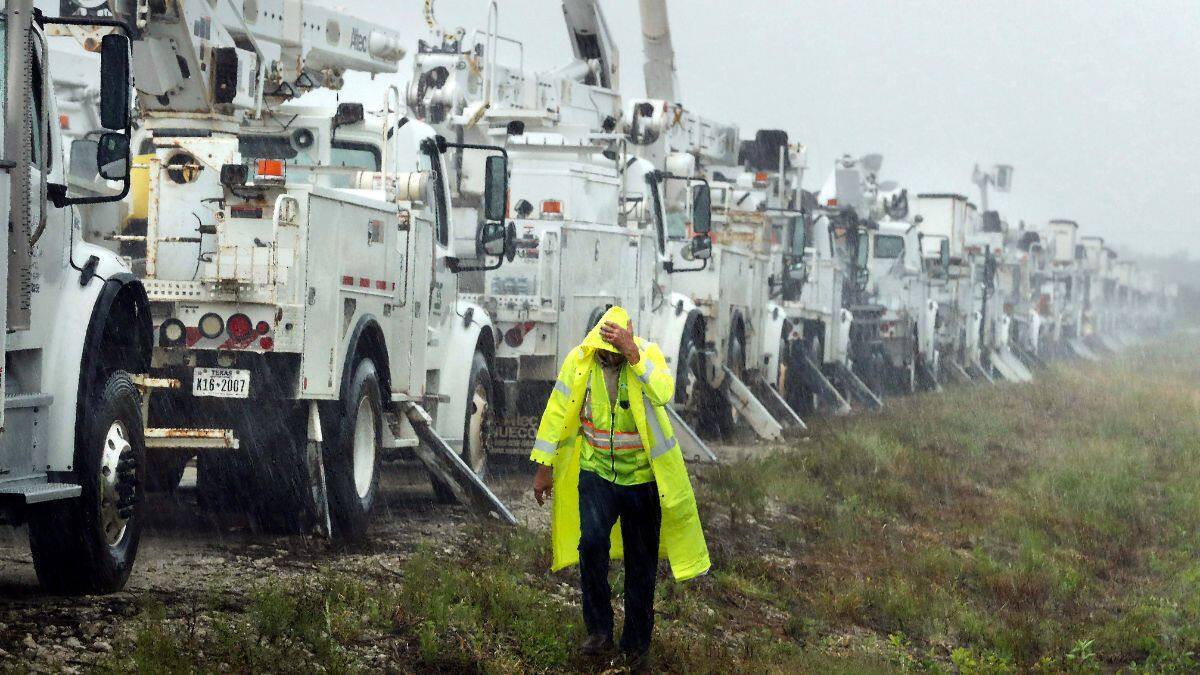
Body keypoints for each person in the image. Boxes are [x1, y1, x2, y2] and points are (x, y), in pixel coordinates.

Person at [530, 305, 710, 663]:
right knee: (592, 546)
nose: (607, 355)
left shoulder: (646, 354)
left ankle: (635, 646)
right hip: (597, 475)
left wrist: (633, 353)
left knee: (640, 565)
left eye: (614, 349)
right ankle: (599, 631)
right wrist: (543, 466)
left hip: (642, 482)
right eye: (604, 347)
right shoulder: (580, 362)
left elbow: (663, 391)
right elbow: (555, 411)